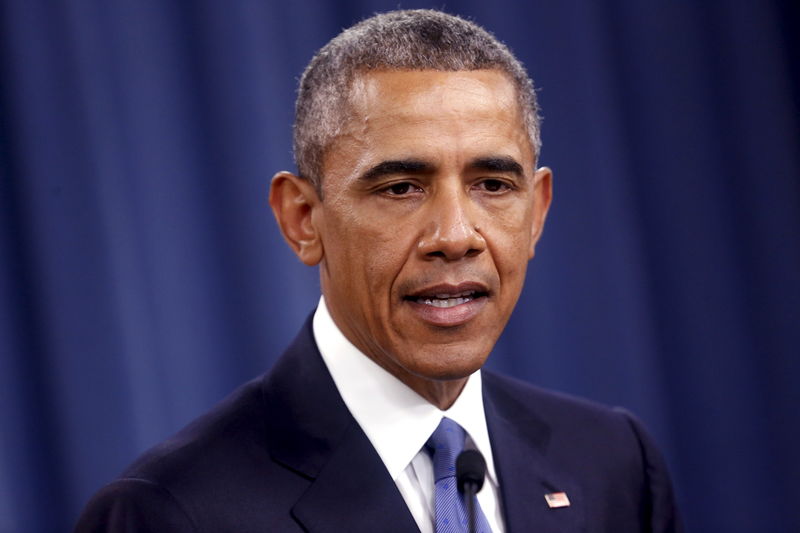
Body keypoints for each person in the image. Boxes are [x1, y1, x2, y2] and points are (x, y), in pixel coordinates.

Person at [74, 9, 682, 533]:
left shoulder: (613, 462)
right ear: (303, 219)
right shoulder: (168, 514)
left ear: (537, 213)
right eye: (400, 188)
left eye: (493, 185)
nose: (454, 237)